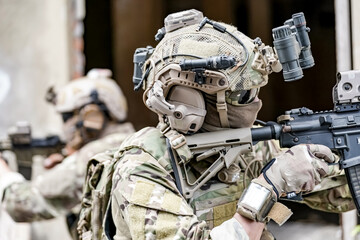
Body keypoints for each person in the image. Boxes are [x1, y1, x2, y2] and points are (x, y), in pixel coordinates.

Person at [80, 10, 353, 240]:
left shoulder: (247, 147)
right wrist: (269, 186)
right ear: (187, 101)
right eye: (242, 96)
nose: (254, 104)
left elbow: (338, 191)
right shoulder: (143, 167)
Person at [0, 69, 135, 239]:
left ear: (91, 116)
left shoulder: (93, 156)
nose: (65, 126)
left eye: (67, 117)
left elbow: (21, 204)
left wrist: (4, 173)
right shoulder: (130, 142)